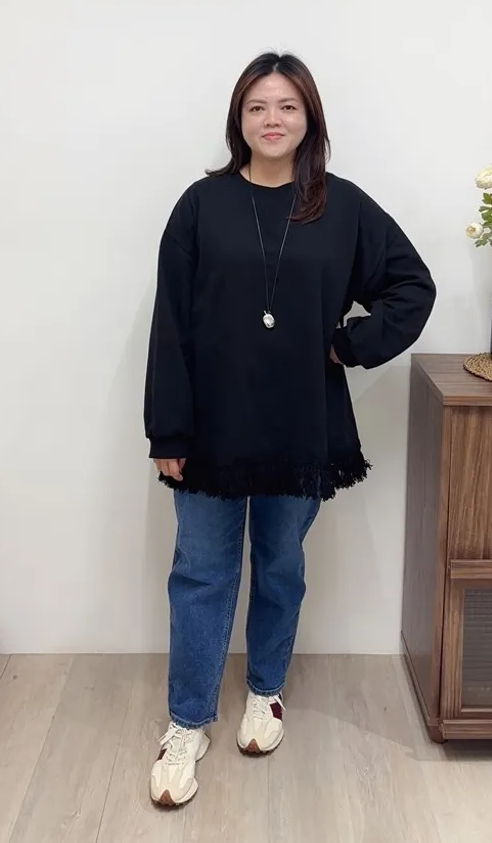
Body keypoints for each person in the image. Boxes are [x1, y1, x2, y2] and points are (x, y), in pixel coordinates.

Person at [145, 52, 436, 806]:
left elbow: (412, 287)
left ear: (309, 119)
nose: (271, 120)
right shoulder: (200, 205)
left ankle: (266, 690)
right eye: (257, 107)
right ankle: (187, 721)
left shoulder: (342, 207)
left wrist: (346, 345)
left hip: (300, 423)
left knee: (280, 566)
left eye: (287, 106)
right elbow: (170, 322)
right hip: (210, 427)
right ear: (238, 120)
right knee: (202, 573)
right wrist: (167, 431)